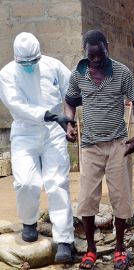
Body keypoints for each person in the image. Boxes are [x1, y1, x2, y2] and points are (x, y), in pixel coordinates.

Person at [64, 30, 134, 269]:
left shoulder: (121, 73)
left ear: (106, 48)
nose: (96, 60)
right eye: (92, 56)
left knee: (121, 198)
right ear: (85, 53)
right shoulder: (78, 74)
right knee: (87, 200)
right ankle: (91, 249)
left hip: (118, 144)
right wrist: (68, 123)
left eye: (100, 55)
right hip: (90, 146)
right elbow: (69, 101)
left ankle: (120, 248)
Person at [0, 32, 74, 262]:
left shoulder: (53, 66)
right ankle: (29, 222)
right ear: (16, 59)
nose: (30, 66)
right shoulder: (7, 73)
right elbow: (16, 105)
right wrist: (50, 115)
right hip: (25, 132)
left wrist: (69, 118)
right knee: (25, 182)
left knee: (57, 183)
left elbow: (71, 90)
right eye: (26, 63)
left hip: (54, 133)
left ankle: (64, 240)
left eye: (34, 61)